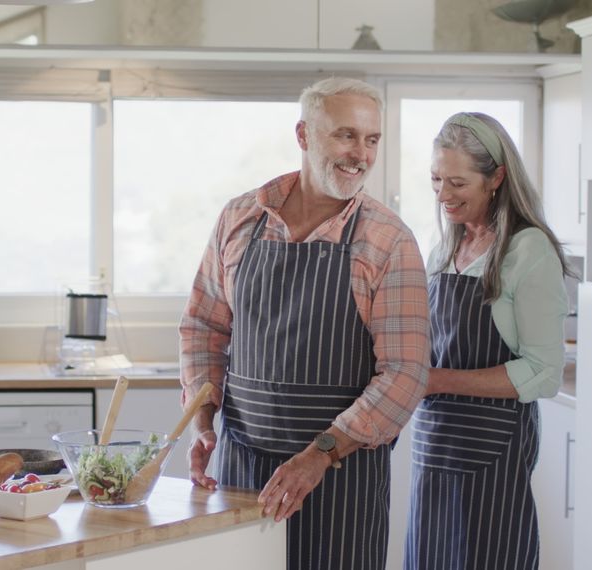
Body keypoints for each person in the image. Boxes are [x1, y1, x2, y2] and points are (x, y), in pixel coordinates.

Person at [179, 77, 431, 570]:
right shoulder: (240, 217)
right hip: (242, 467)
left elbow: (406, 373)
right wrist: (202, 422)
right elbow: (203, 327)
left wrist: (319, 455)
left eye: (372, 139)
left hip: (341, 476)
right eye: (346, 135)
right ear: (303, 135)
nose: (361, 153)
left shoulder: (388, 240)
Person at [404, 112, 570, 570]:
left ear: (496, 177)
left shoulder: (527, 250)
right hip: (435, 444)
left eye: (458, 184)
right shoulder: (446, 248)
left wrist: (437, 381)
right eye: (436, 180)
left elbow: (543, 372)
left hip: (492, 452)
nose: (442, 196)